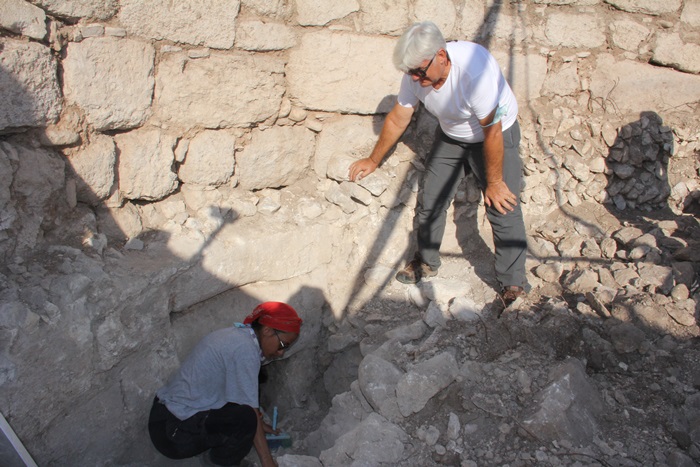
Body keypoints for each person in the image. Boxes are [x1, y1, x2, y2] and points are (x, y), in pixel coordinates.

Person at [349, 21, 528, 305]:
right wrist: (373, 159)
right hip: (453, 134)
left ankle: (513, 283)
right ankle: (427, 262)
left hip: (495, 133)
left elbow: (491, 130)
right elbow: (399, 117)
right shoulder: (416, 75)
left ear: (442, 57)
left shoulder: (474, 70)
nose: (417, 79)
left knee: (502, 203)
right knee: (431, 197)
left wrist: (493, 183)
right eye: (411, 73)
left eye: (420, 72)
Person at [148, 301, 303, 467]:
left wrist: (260, 426)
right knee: (246, 419)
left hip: (165, 417)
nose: (281, 353)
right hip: (173, 434)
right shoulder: (244, 351)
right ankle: (220, 462)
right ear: (267, 330)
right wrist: (267, 461)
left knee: (245, 413)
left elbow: (242, 395)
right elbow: (249, 410)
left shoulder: (240, 336)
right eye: (282, 345)